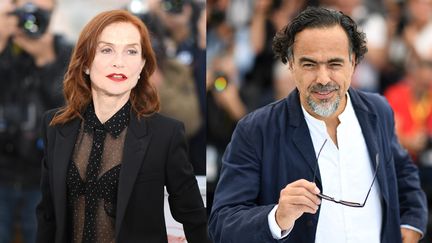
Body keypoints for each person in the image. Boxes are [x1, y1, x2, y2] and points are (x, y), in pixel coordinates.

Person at [209, 7, 427, 243]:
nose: (323, 78)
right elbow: (222, 223)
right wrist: (276, 217)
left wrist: (412, 223)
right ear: (290, 64)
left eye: (334, 64)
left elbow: (403, 171)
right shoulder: (256, 130)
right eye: (309, 65)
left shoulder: (378, 110)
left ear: (353, 63)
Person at [36, 10, 209, 243]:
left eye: (131, 51)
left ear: (141, 67)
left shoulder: (165, 134)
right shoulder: (55, 127)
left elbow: (192, 215)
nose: (119, 62)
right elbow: (48, 215)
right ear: (85, 63)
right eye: (106, 50)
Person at [0, 0, 72, 242]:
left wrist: (46, 61)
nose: (31, 19)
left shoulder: (64, 52)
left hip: (42, 175)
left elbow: (70, 113)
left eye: (41, 12)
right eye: (26, 9)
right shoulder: (5, 47)